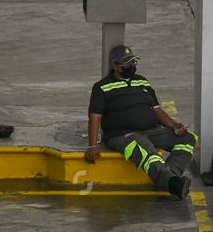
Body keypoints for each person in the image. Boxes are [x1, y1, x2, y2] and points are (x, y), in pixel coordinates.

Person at [84, 45, 196, 199]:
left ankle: (170, 177)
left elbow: (157, 109)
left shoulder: (143, 82)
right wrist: (92, 146)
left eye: (134, 62)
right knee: (146, 149)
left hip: (152, 130)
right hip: (123, 135)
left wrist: (174, 125)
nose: (132, 66)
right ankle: (172, 184)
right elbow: (95, 117)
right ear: (115, 66)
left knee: (188, 139)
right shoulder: (101, 87)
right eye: (128, 64)